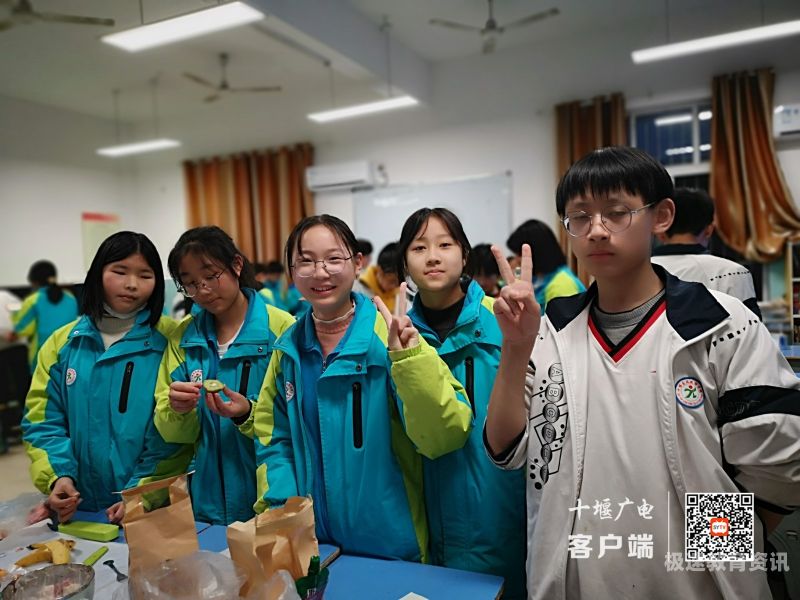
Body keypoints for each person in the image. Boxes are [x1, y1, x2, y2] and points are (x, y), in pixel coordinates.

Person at [484, 146, 800, 599]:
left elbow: (775, 471)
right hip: (574, 577)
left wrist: (711, 555)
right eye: (579, 217)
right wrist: (516, 348)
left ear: (662, 215)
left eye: (617, 213)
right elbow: (507, 449)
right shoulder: (552, 328)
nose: (596, 230)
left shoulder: (717, 324)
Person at [241, 215, 472, 562]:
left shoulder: (391, 336)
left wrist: (409, 360)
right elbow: (274, 438)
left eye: (334, 259)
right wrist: (283, 512)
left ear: (357, 263)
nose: (320, 273)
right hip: (313, 545)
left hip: (391, 545)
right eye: (305, 261)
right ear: (292, 271)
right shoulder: (287, 349)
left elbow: (445, 434)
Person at [397, 208, 526, 599]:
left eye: (445, 245)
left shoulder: (503, 320)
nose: (432, 256)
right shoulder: (396, 335)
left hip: (502, 513)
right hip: (427, 525)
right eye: (419, 248)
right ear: (404, 262)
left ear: (465, 255)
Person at [21, 232, 190, 524]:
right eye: (119, 271)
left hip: (151, 512)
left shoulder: (171, 340)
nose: (131, 284)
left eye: (145, 275)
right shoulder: (63, 344)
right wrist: (59, 477)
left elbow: (175, 435)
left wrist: (141, 494)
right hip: (78, 509)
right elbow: (43, 422)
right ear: (97, 273)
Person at [154, 226, 294, 526]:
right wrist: (177, 410)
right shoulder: (184, 338)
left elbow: (294, 422)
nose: (203, 289)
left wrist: (248, 414)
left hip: (270, 500)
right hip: (207, 505)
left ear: (237, 265)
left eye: (211, 275)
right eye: (190, 283)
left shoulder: (281, 330)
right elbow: (173, 433)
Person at [652, 187, 761, 319]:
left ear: (660, 231)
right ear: (709, 230)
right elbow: (752, 333)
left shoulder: (640, 272)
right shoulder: (732, 272)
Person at [11, 260, 78, 371]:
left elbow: (21, 329)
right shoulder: (70, 298)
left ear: (35, 282)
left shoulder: (33, 300)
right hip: (69, 356)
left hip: (41, 359)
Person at [506, 219, 585, 311]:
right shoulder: (538, 279)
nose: (516, 260)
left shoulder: (562, 284)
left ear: (537, 252)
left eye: (519, 254)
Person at [353, 242, 402, 313]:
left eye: (398, 283)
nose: (395, 287)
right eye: (392, 282)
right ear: (380, 270)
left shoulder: (399, 295)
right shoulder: (358, 289)